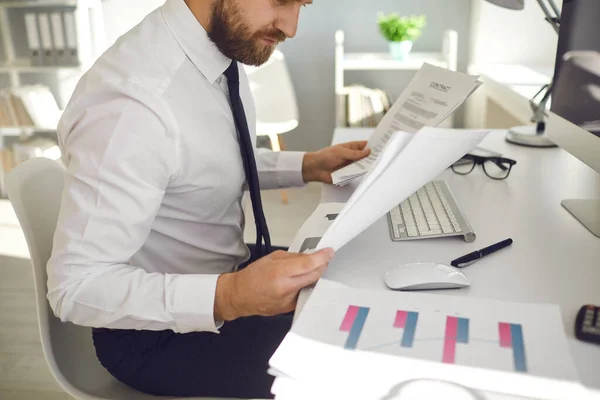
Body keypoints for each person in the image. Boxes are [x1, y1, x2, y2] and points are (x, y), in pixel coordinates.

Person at [47, 0, 370, 398]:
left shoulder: (217, 49)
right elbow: (75, 288)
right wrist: (231, 296)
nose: (292, 26)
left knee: (360, 280)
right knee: (358, 366)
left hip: (224, 274)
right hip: (157, 337)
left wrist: (307, 165)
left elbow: (199, 163)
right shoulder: (133, 104)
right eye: (281, 0)